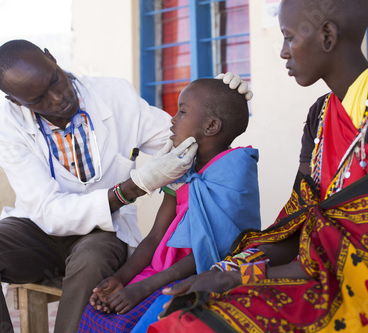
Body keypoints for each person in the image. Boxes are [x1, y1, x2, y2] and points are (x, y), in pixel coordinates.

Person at [149, 0, 368, 332]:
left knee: (196, 326)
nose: (283, 52)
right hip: (319, 272)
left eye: (289, 37)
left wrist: (244, 277)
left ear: (327, 35)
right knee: (188, 307)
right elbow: (299, 223)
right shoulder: (321, 114)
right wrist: (225, 271)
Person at [0, 40, 248, 333]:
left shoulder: (113, 94)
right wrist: (133, 187)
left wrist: (219, 101)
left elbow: (182, 135)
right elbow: (48, 211)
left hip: (102, 234)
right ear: (16, 102)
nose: (58, 98)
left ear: (52, 58)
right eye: (39, 99)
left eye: (55, 81)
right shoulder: (3, 124)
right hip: (39, 231)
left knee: (92, 256)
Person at [78, 78, 261, 332]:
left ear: (211, 126)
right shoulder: (179, 167)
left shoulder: (234, 172)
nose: (172, 120)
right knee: (97, 316)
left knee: (139, 323)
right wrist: (121, 279)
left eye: (182, 112)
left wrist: (143, 288)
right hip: (159, 271)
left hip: (200, 274)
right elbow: (155, 236)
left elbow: (210, 252)